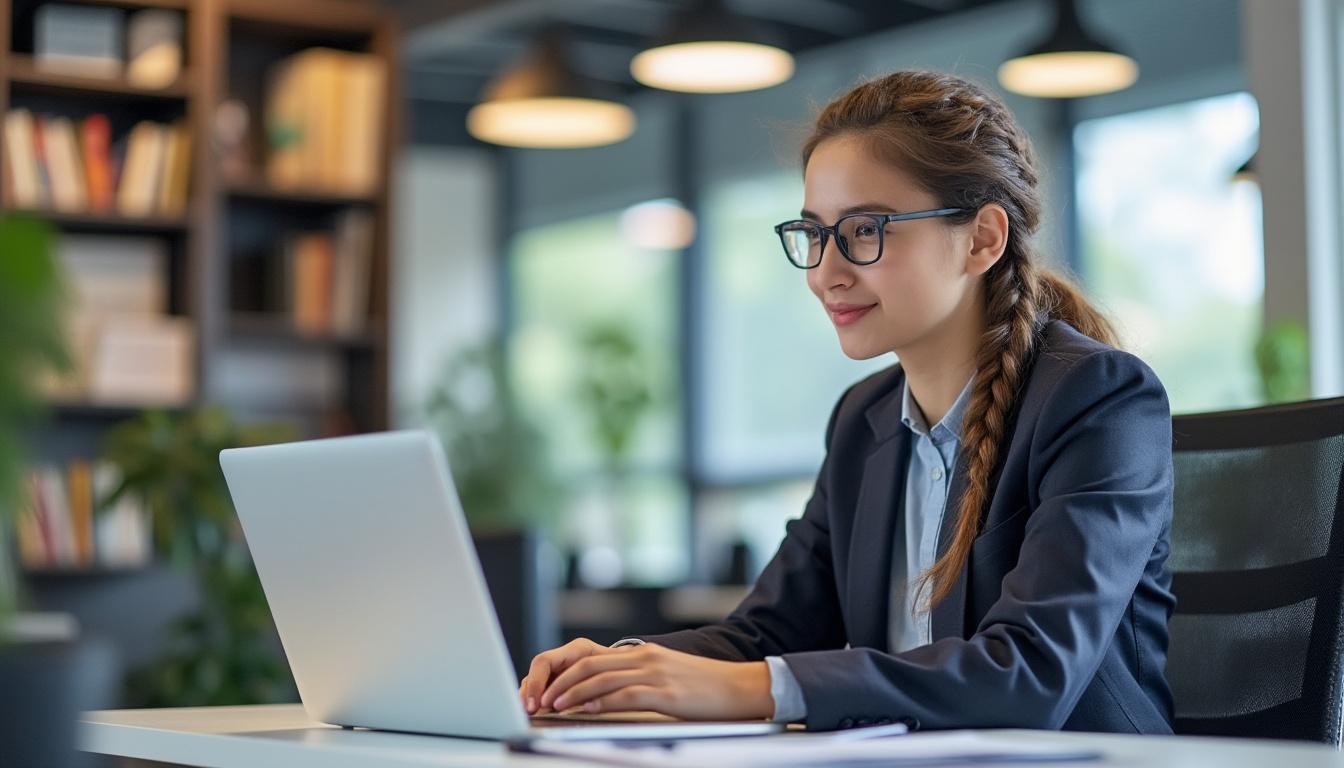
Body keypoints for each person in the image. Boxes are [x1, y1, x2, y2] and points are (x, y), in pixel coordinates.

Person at [517, 69, 1175, 734]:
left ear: (982, 239)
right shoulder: (864, 422)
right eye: (814, 234)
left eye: (864, 231)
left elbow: (1027, 674)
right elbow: (768, 632)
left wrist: (754, 688)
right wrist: (616, 670)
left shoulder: (1098, 401)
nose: (826, 272)